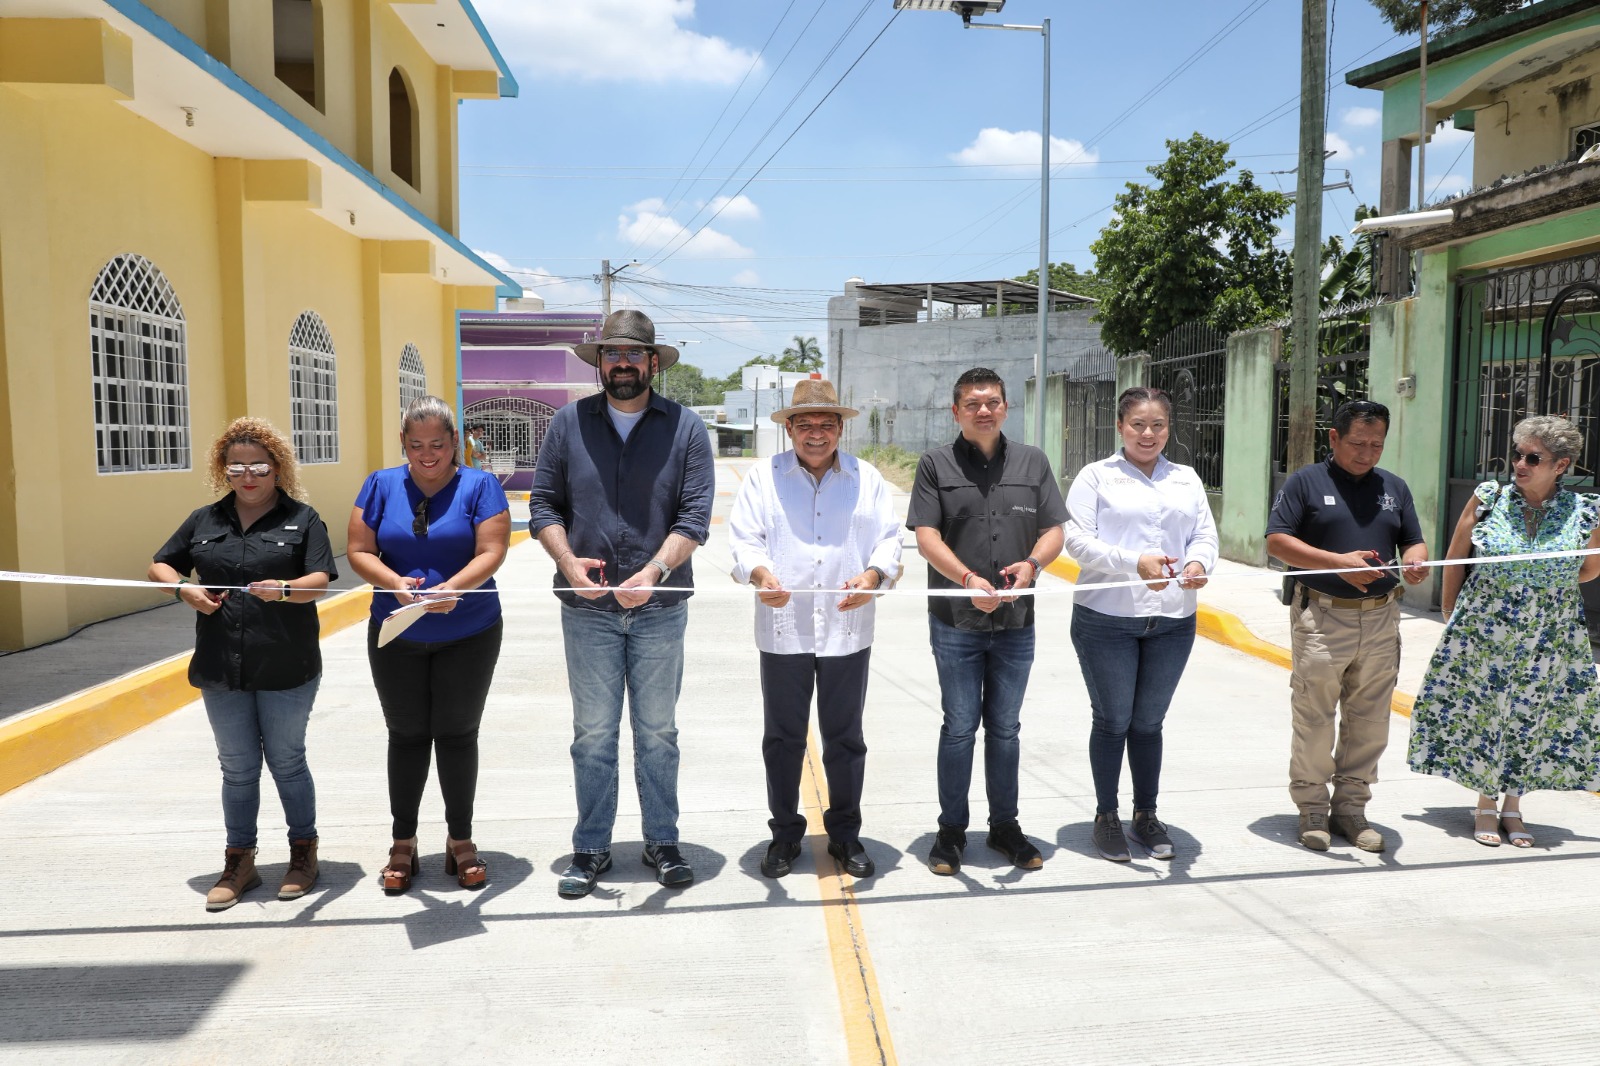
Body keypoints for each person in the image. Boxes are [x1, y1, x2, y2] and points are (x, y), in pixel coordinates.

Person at [530, 309, 714, 899]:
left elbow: (694, 517)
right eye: (613, 355)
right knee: (592, 734)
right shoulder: (566, 424)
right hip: (588, 611)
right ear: (600, 363)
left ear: (653, 362)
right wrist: (567, 563)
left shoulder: (686, 428)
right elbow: (542, 508)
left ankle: (662, 840)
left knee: (658, 732)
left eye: (635, 355)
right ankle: (591, 848)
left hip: (661, 609)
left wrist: (656, 570)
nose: (624, 364)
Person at [149, 418, 337, 911]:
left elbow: (321, 577)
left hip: (286, 663)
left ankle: (303, 854)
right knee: (236, 768)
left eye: (258, 466)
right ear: (224, 470)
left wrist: (287, 590)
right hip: (221, 665)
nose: (248, 476)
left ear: (277, 468)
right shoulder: (204, 520)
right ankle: (240, 862)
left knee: (287, 761)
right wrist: (182, 587)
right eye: (237, 467)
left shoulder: (303, 519)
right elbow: (160, 564)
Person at [727, 378, 903, 880]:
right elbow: (745, 540)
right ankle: (785, 833)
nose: (816, 434)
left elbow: (889, 540)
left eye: (827, 424)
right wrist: (760, 575)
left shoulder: (866, 478)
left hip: (848, 626)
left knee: (845, 737)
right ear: (789, 430)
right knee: (783, 738)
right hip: (785, 626)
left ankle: (845, 835)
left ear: (841, 427)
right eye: (805, 424)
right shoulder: (765, 478)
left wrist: (872, 576)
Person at [1409, 415, 1600, 847]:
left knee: (1533, 715)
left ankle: (1513, 806)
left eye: (1534, 457)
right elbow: (1457, 556)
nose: (1520, 463)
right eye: (1518, 454)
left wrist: (1545, 583)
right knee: (1486, 711)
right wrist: (1448, 609)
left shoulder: (1585, 510)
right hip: (1484, 627)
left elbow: (1589, 569)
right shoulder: (1489, 498)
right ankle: (1484, 804)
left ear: (1561, 465)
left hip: (1551, 633)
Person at [906, 366, 1067, 876]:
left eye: (993, 402)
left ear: (1004, 408)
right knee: (959, 728)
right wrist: (969, 579)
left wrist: (1033, 565)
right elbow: (927, 537)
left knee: (1005, 729)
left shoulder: (1033, 461)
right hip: (956, 623)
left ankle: (1005, 828)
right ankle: (951, 831)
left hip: (1017, 624)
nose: (984, 410)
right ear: (956, 411)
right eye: (973, 403)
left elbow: (1053, 530)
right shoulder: (935, 465)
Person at [347, 395, 510, 894]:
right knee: (407, 735)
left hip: (469, 632)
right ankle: (403, 842)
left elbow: (493, 549)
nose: (427, 454)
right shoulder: (378, 485)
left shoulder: (480, 486)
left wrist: (454, 588)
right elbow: (358, 550)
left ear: (454, 443)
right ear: (403, 444)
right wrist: (394, 581)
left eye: (437, 444)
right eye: (416, 445)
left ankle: (460, 840)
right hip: (396, 630)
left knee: (458, 735)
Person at [1266, 399, 1428, 853]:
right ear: (1334, 438)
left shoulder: (1393, 487)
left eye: (1377, 444)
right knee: (1315, 718)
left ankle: (1352, 810)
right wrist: (1338, 564)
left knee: (1370, 720)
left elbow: (1411, 540)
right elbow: (1278, 542)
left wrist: (1416, 562)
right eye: (1358, 443)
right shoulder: (1306, 483)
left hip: (1380, 618)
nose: (1367, 452)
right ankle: (1313, 810)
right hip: (1322, 616)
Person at [1064, 387, 1218, 862]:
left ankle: (1146, 815)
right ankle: (1106, 816)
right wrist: (1136, 562)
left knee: (1149, 723)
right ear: (1120, 426)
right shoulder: (1095, 478)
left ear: (1169, 428)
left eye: (1158, 425)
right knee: (1113, 722)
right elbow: (1077, 541)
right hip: (1107, 618)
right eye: (1138, 424)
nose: (1148, 434)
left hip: (1172, 620)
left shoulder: (1186, 479)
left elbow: (1205, 535)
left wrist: (1197, 564)